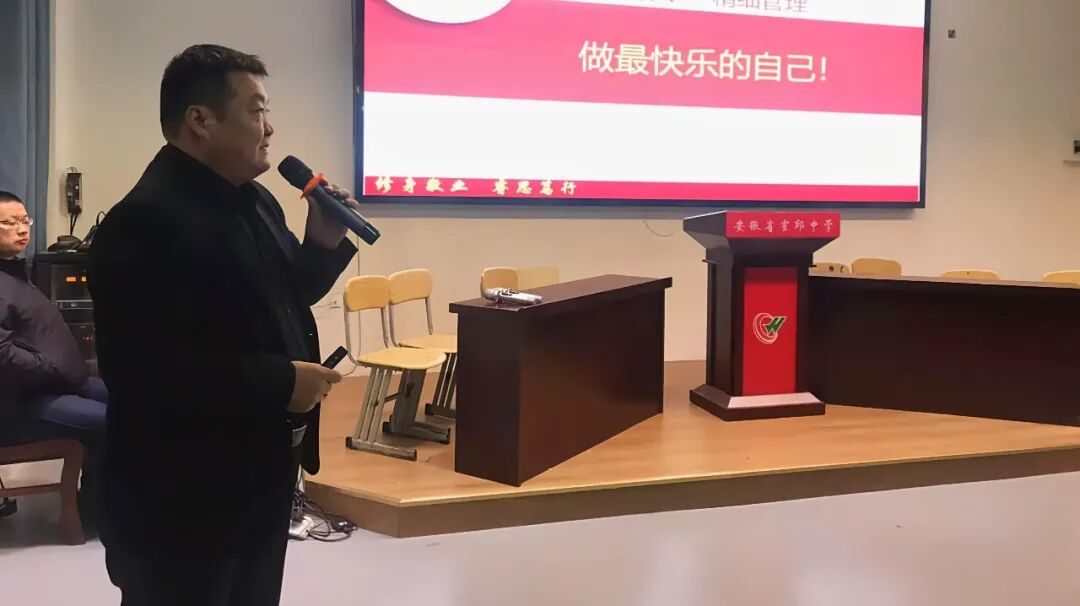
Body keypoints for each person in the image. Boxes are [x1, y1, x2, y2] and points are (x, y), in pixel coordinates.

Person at [87, 45, 356, 605]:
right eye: (256, 111)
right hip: (181, 496)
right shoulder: (146, 221)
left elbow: (284, 296)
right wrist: (284, 381)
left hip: (255, 476)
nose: (270, 128)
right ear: (200, 120)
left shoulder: (255, 201)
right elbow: (147, 373)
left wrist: (323, 240)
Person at [0, 190, 107, 524]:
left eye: (24, 220)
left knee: (135, 398)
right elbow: (3, 356)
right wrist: (52, 368)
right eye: (8, 223)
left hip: (61, 384)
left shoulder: (16, 274)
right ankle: (96, 511)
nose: (21, 229)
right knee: (115, 420)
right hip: (25, 403)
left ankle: (100, 501)